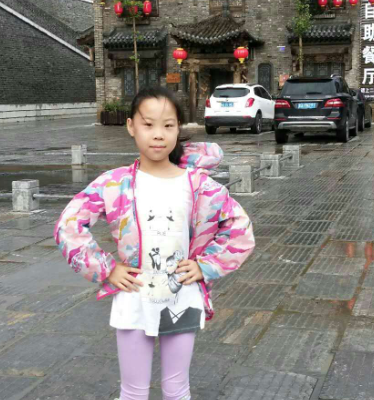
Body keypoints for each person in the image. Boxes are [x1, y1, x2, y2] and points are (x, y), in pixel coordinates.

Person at [54, 86, 255, 400]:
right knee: (133, 391)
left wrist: (205, 266)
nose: (158, 134)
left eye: (168, 125)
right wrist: (106, 268)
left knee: (177, 389)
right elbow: (68, 224)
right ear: (131, 126)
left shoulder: (200, 185)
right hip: (133, 296)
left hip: (182, 296)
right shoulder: (114, 183)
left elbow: (240, 228)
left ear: (178, 128)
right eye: (148, 124)